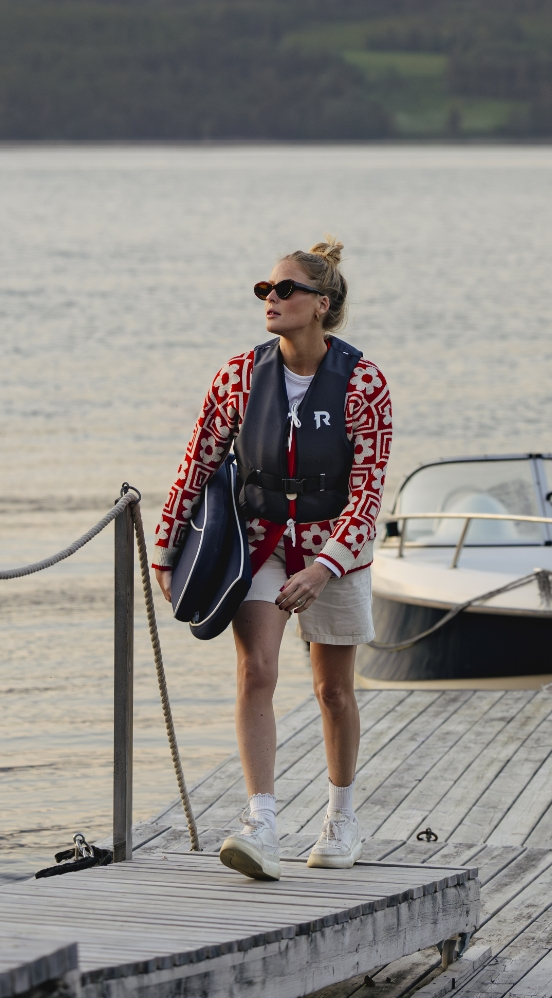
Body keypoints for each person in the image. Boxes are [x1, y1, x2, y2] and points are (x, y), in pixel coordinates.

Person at [150, 238, 394, 880]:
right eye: (265, 290)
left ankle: (342, 817)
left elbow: (369, 491)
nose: (271, 299)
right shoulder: (237, 375)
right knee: (256, 671)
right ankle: (262, 820)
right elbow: (197, 461)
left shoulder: (363, 382)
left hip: (334, 548)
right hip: (260, 543)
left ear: (322, 304)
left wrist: (325, 567)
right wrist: (166, 547)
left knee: (332, 690)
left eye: (285, 290)